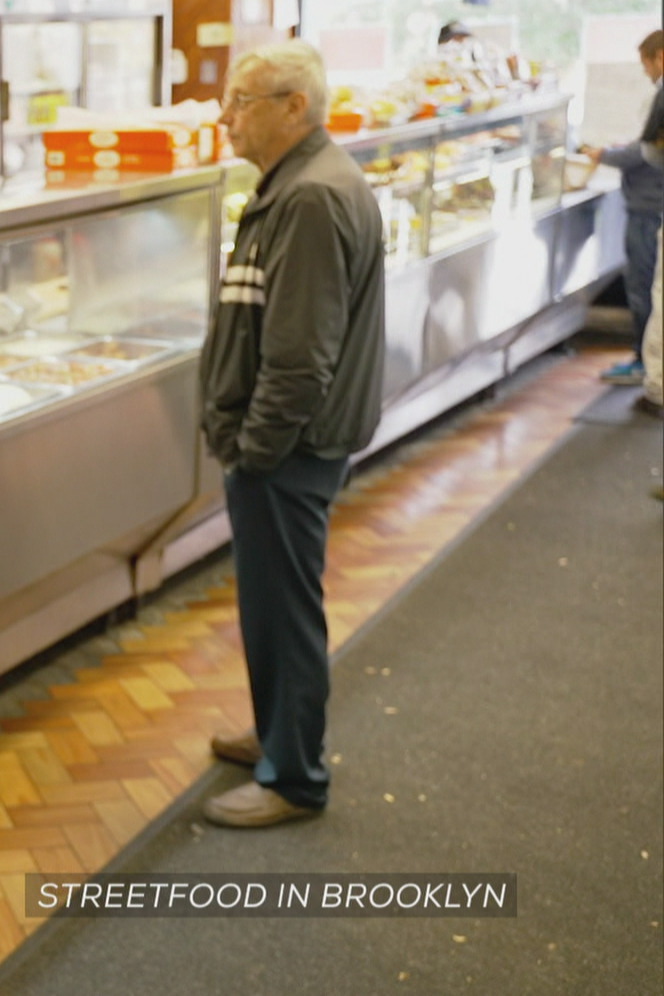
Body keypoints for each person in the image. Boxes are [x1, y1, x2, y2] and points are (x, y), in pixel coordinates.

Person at [202, 41, 386, 829]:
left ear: (293, 107)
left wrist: (255, 448)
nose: (226, 115)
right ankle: (277, 733)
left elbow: (300, 356)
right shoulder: (297, 185)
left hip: (288, 449)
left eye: (242, 100)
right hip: (284, 445)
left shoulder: (310, 197)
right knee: (272, 604)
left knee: (285, 608)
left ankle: (296, 776)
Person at [579, 29, 664, 387]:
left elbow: (648, 150)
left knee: (643, 287)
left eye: (645, 62)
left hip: (649, 205)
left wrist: (606, 154)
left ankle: (645, 364)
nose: (644, 71)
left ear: (658, 57)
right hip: (650, 203)